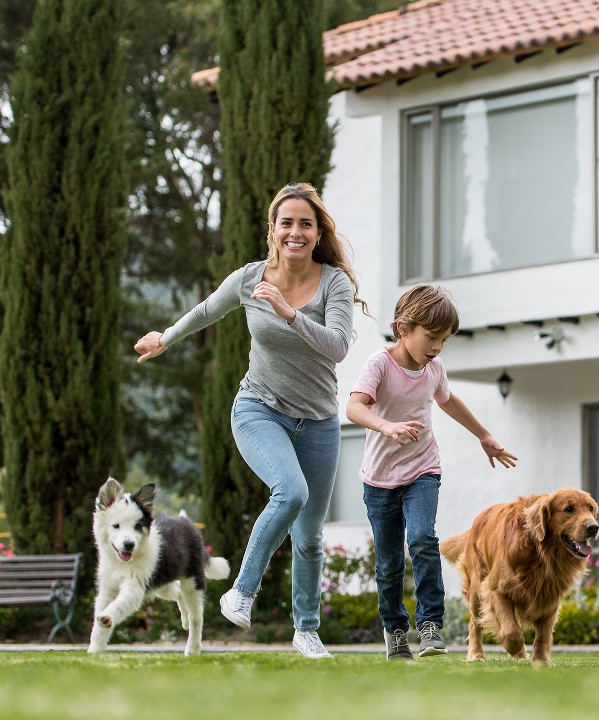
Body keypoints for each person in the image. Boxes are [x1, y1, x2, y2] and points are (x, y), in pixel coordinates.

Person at [134, 182, 367, 659]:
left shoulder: (334, 282)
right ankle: (241, 591)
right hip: (259, 408)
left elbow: (339, 346)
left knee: (309, 535)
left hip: (318, 422)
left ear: (317, 231)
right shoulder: (249, 279)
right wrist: (167, 338)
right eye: (287, 223)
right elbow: (205, 311)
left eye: (306, 223)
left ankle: (306, 630)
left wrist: (289, 314)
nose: (296, 232)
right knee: (292, 492)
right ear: (272, 230)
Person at [346, 283, 517, 661]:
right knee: (389, 562)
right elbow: (354, 408)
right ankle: (395, 630)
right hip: (379, 478)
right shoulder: (379, 363)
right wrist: (386, 426)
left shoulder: (434, 368)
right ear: (404, 328)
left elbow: (448, 400)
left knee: (423, 537)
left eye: (444, 340)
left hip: (423, 468)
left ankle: (430, 625)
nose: (437, 347)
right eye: (432, 337)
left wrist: (484, 436)